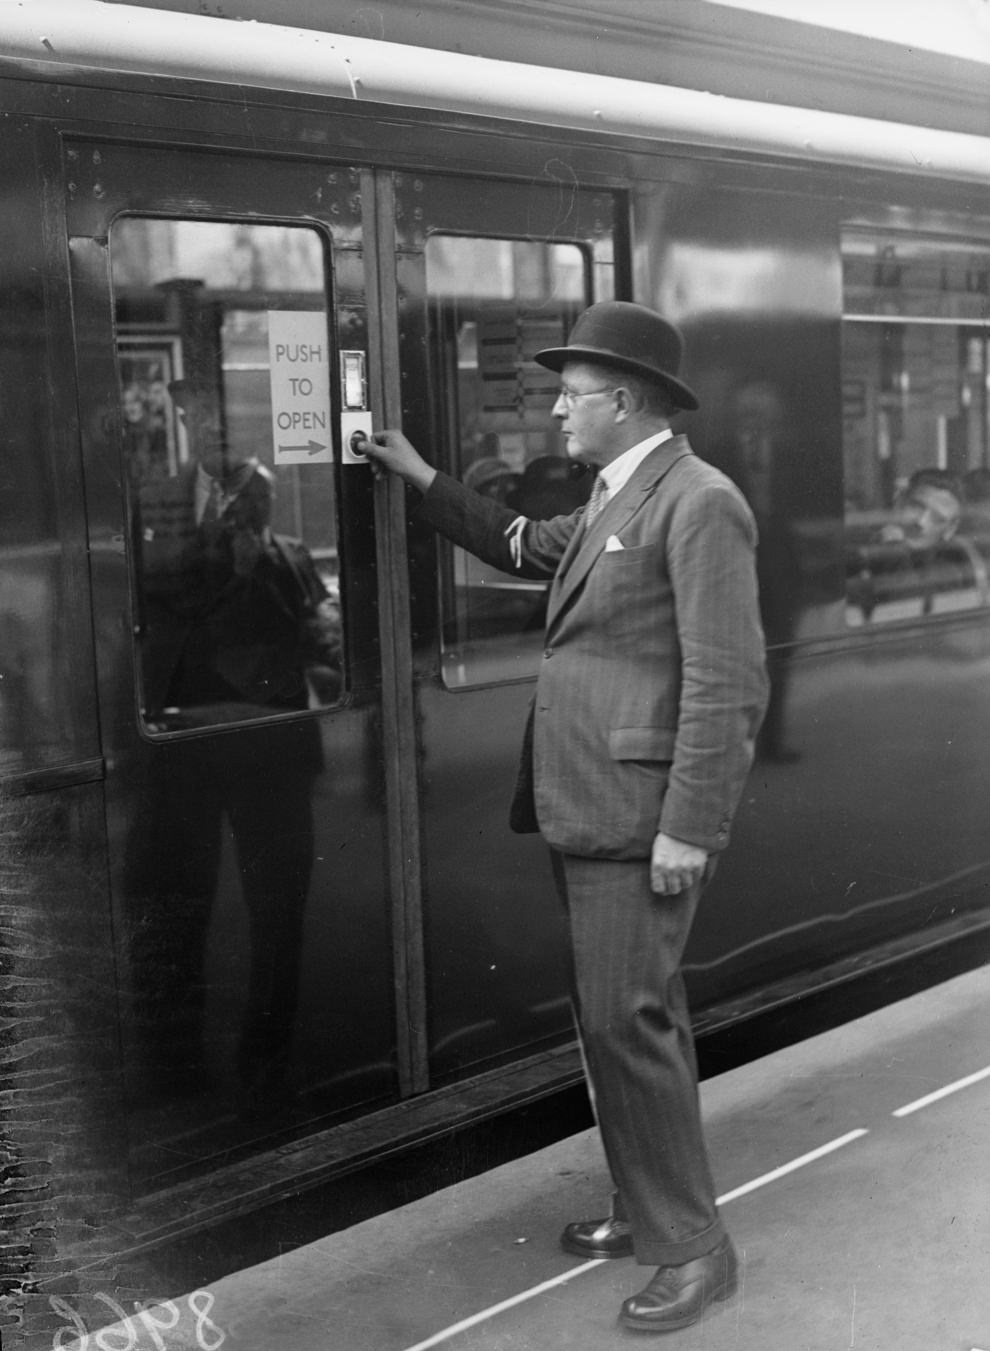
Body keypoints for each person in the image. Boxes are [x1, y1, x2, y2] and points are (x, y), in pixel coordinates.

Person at [358, 301, 768, 1333]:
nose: (557, 412)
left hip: (640, 813)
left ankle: (694, 1249)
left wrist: (693, 824)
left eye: (570, 395)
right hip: (585, 798)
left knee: (628, 1025)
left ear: (621, 402)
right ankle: (644, 1206)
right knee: (617, 1017)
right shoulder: (613, 495)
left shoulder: (697, 502)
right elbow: (517, 542)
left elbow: (729, 681)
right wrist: (417, 476)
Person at [124, 375, 340, 1111]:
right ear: (186, 419)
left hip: (271, 743)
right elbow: (158, 594)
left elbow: (317, 633)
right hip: (180, 744)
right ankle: (174, 1066)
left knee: (279, 913)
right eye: (197, 412)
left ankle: (269, 1058)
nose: (211, 426)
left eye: (222, 412)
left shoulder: (281, 537)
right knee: (174, 907)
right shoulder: (154, 504)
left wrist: (278, 570)